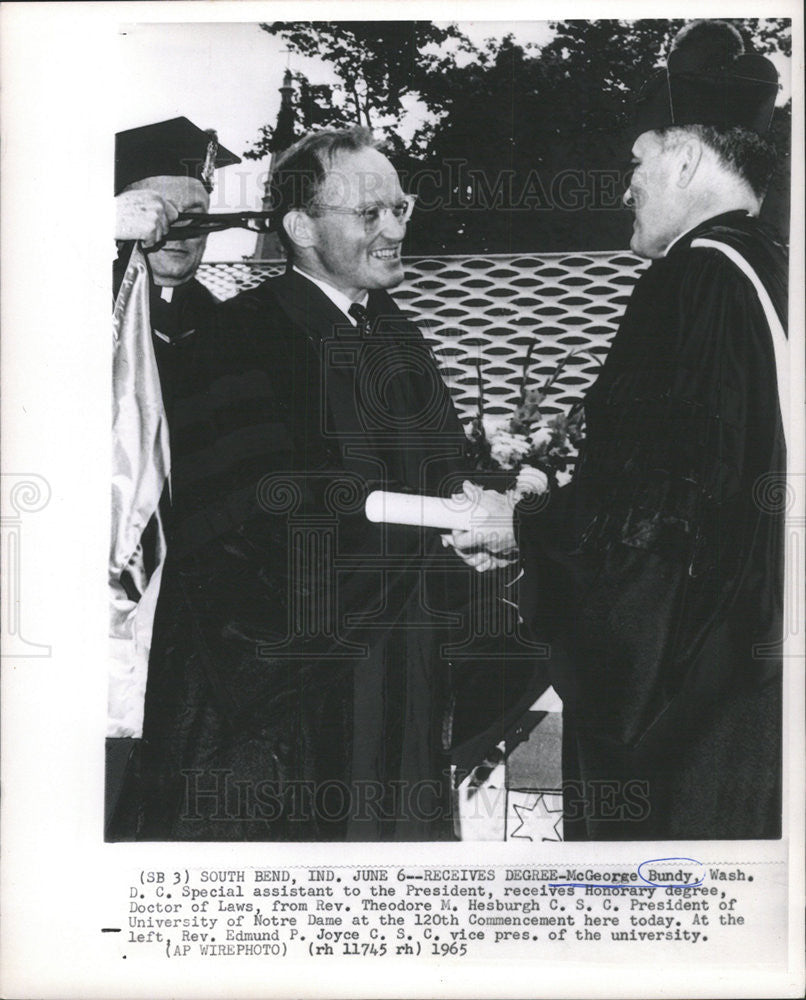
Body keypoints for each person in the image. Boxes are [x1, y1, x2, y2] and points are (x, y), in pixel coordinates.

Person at [448, 20, 787, 840]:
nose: (623, 187)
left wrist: (521, 526)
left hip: (689, 716)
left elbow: (652, 520)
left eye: (636, 163)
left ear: (683, 161)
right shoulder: (774, 273)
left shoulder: (692, 285)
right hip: (760, 686)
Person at [137, 126, 477, 841]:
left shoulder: (401, 341)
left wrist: (489, 516)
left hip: (403, 676)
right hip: (286, 696)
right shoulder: (236, 342)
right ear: (300, 227)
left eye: (400, 209)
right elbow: (242, 520)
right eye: (369, 214)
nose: (394, 230)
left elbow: (448, 476)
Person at [107, 117, 240, 838]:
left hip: (193, 595)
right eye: (166, 216)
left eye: (200, 218)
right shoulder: (77, 312)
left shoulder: (229, 329)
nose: (184, 234)